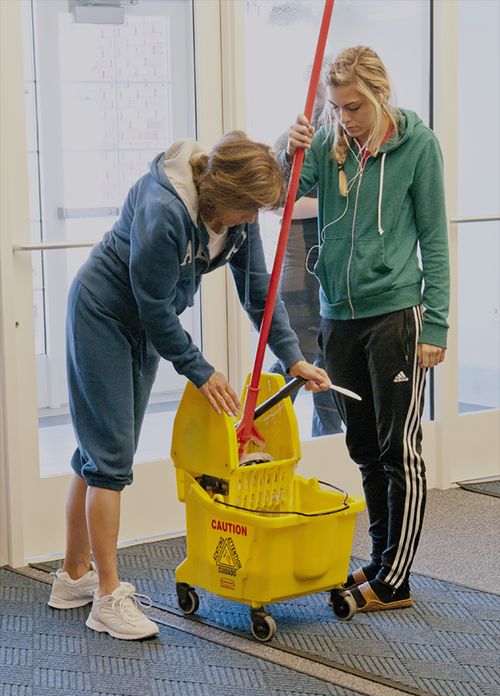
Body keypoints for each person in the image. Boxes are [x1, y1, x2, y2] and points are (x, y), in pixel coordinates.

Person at [48, 131, 331, 639]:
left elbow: (258, 290)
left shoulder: (239, 223)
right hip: (102, 315)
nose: (252, 221)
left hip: (142, 322)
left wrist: (292, 359)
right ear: (226, 195)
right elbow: (154, 307)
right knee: (110, 460)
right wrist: (200, 370)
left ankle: (73, 576)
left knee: (102, 450)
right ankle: (107, 597)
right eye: (250, 210)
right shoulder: (165, 211)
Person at [282, 46, 449, 613]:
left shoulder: (418, 146)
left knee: (398, 447)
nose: (346, 118)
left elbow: (435, 239)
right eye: (337, 108)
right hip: (338, 314)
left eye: (354, 107)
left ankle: (396, 579)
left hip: (398, 314)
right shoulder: (329, 147)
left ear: (381, 95)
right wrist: (292, 147)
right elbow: (280, 197)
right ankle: (381, 561)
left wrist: (439, 322)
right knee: (361, 447)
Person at [271, 84, 343, 437]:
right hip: (299, 268)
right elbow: (280, 204)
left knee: (329, 363)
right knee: (293, 357)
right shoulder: (292, 142)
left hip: (332, 269)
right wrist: (340, 206)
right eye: (320, 95)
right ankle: (258, 435)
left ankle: (327, 445)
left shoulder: (342, 142)